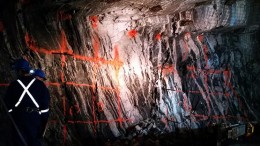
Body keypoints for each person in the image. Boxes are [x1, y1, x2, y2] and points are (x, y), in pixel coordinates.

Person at [4, 58, 50, 146]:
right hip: (35, 118)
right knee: (35, 142)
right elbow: (45, 106)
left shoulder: (14, 85)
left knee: (19, 142)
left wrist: (12, 114)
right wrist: (43, 120)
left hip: (19, 118)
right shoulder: (40, 85)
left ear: (19, 71)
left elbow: (7, 103)